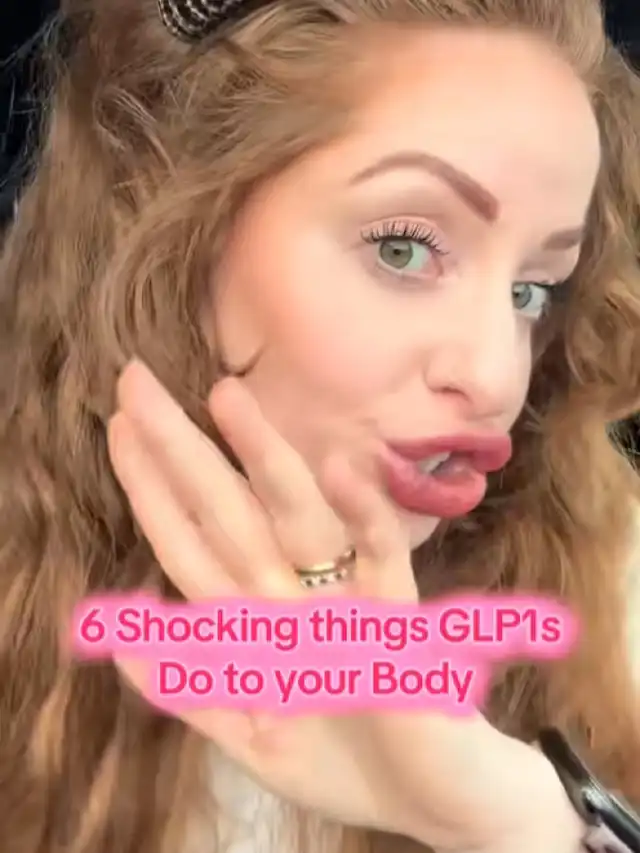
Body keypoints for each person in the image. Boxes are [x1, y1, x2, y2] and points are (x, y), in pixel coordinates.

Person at [1, 0, 640, 851]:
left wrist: (520, 821)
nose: (495, 378)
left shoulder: (612, 591)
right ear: (173, 236)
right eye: (403, 248)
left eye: (533, 289)